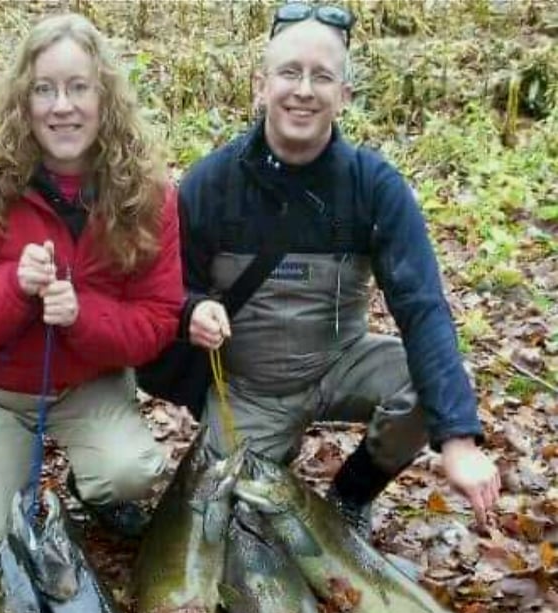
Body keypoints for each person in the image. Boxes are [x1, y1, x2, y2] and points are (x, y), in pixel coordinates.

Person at [177, 2, 500, 537]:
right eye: (289, 72)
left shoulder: (374, 186)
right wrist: (193, 309)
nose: (303, 90)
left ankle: (350, 498)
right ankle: (268, 452)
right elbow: (170, 289)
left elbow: (422, 308)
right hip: (251, 388)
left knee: (434, 387)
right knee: (229, 525)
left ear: (344, 96)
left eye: (322, 76)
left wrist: (459, 440)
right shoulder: (210, 184)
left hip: (341, 361)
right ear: (261, 86)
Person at [0, 13, 183, 578]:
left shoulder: (149, 194)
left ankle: (89, 489)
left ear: (104, 97)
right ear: (23, 100)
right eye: (44, 89)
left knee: (133, 471)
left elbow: (158, 321)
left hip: (86, 380)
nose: (62, 106)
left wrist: (82, 316)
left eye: (78, 87)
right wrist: (12, 285)